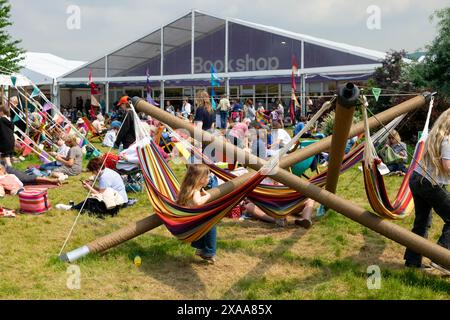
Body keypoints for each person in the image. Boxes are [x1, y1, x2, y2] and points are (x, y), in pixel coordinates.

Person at [404, 109, 450, 274]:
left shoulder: (435, 136)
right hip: (430, 183)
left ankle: (412, 261)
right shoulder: (448, 140)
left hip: (417, 178)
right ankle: (441, 259)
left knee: (422, 221)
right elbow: (448, 166)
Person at [56, 157, 128, 217]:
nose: (92, 173)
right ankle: (74, 207)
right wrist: (91, 185)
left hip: (116, 203)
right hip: (120, 199)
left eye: (93, 171)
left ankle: (72, 208)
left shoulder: (104, 177)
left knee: (91, 200)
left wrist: (88, 188)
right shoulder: (107, 171)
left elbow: (101, 195)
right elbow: (102, 191)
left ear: (97, 169)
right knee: (92, 200)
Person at [177, 164, 216, 263]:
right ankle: (208, 252)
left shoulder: (186, 189)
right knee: (211, 222)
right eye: (207, 177)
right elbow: (197, 202)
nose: (209, 179)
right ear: (201, 179)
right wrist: (208, 196)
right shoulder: (196, 191)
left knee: (205, 219)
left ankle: (200, 247)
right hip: (192, 224)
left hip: (186, 221)